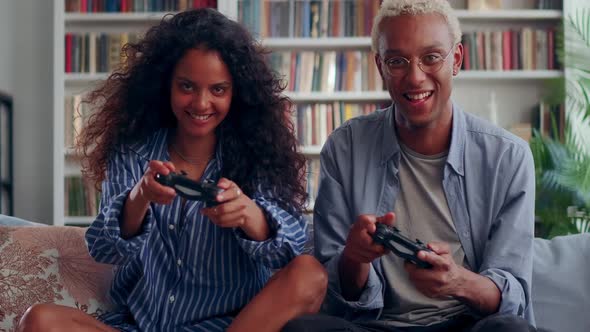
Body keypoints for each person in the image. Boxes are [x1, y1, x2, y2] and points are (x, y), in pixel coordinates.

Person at [18, 8, 327, 332]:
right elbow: (103, 248)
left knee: (311, 274)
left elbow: (292, 246)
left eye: (218, 90)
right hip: (142, 326)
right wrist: (140, 197)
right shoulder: (132, 152)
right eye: (187, 86)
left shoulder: (257, 155)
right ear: (165, 84)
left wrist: (250, 215)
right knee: (39, 320)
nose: (201, 103)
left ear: (237, 94)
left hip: (232, 327)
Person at [282, 0, 536, 331]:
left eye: (431, 57)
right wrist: (354, 259)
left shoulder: (508, 157)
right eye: (397, 61)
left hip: (464, 324)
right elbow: (332, 292)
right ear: (380, 66)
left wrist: (457, 282)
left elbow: (513, 296)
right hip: (376, 325)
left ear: (456, 60)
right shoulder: (345, 147)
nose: (415, 77)